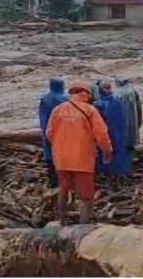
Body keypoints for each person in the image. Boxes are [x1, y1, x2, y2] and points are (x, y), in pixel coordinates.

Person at [46, 80, 112, 225]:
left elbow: (49, 133)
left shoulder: (58, 110)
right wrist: (107, 151)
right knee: (86, 198)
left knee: (63, 189)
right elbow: (101, 135)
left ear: (71, 92)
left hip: (62, 159)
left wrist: (60, 147)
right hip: (83, 159)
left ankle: (61, 222)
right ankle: (83, 230)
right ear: (87, 93)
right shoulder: (90, 110)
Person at [94, 81, 129, 190]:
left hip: (106, 135)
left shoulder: (98, 104)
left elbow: (96, 123)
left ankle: (110, 184)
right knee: (118, 157)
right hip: (119, 134)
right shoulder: (118, 101)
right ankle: (118, 182)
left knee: (106, 157)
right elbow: (124, 118)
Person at [38, 78, 68, 189]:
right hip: (63, 132)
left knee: (50, 155)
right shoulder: (65, 99)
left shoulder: (45, 99)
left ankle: (53, 181)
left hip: (48, 131)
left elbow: (43, 118)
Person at [114, 75, 143, 150]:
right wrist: (140, 120)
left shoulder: (117, 93)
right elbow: (139, 105)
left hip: (122, 117)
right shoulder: (133, 91)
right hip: (133, 116)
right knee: (132, 128)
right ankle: (134, 141)